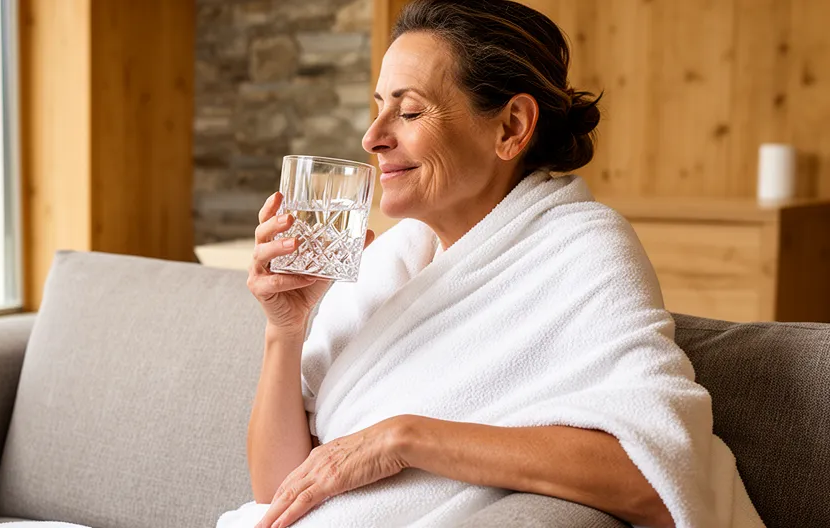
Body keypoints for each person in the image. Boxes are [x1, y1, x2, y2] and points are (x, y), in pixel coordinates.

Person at [219, 1, 764, 527]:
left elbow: (656, 476)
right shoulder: (389, 262)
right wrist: (284, 331)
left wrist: (402, 439)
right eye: (378, 106)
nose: (373, 137)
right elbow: (277, 495)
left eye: (408, 111)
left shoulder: (582, 249)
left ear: (511, 127)